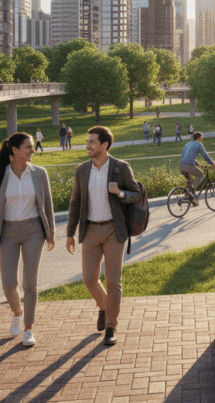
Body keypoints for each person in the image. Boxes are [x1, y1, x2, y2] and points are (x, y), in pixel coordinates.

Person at [66, 126, 142, 347]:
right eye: (87, 141)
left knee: (113, 281)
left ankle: (111, 326)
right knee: (89, 278)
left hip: (113, 230)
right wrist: (70, 232)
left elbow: (136, 194)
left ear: (104, 145)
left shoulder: (120, 168)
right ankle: (104, 306)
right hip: (89, 230)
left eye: (92, 142)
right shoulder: (82, 170)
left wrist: (119, 192)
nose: (87, 145)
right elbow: (75, 202)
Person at [0, 133, 55, 348]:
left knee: (30, 283)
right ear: (14, 150)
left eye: (32, 147)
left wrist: (50, 232)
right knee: (9, 284)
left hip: (34, 230)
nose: (33, 151)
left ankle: (28, 328)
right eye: (28, 147)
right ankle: (17, 312)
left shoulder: (40, 173)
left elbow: (47, 205)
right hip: (7, 233)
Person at [179, 132, 215, 205]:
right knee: (200, 174)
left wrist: (196, 163)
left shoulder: (188, 144)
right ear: (199, 138)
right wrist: (213, 164)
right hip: (188, 166)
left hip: (181, 165)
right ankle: (192, 190)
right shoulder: (199, 144)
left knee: (190, 181)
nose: (201, 139)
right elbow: (205, 156)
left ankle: (192, 200)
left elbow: (187, 156)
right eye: (201, 138)